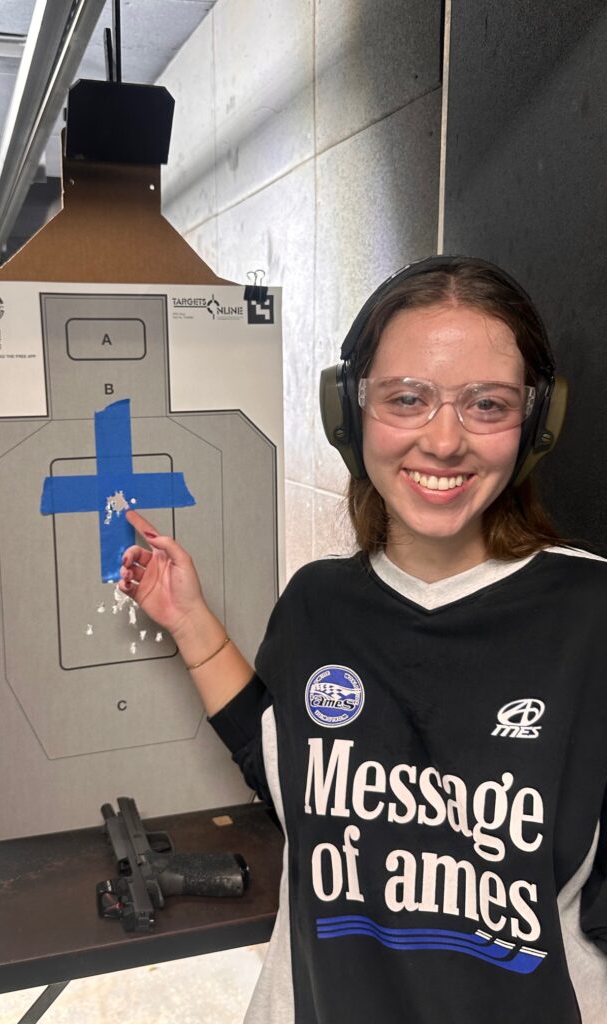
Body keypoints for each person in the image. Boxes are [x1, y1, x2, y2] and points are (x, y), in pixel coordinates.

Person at [118, 256, 607, 1024]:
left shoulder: (591, 616)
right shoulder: (319, 601)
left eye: (487, 404)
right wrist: (188, 620)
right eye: (406, 399)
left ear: (537, 423)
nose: (444, 441)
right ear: (349, 412)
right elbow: (284, 765)